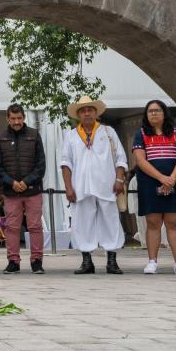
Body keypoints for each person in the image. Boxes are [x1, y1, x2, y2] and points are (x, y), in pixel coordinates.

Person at [61, 95, 127, 275]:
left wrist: (119, 179)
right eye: (83, 110)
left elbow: (121, 158)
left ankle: (112, 261)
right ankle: (86, 261)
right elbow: (66, 163)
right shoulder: (71, 135)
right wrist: (68, 187)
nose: (87, 113)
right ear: (78, 115)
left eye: (90, 110)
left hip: (107, 185)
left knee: (110, 220)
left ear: (96, 112)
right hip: (80, 187)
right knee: (82, 223)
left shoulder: (108, 132)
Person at [132, 99, 176, 275]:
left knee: (174, 222)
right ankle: (152, 261)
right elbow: (140, 160)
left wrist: (171, 179)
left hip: (174, 181)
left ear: (164, 113)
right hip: (150, 183)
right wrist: (161, 178)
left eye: (157, 110)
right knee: (153, 222)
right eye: (150, 111)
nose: (153, 114)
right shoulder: (141, 134)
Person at [0, 103, 47, 274]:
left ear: (24, 117)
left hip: (32, 189)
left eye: (19, 118)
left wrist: (26, 181)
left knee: (35, 226)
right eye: (13, 118)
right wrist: (11, 182)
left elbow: (41, 164)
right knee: (12, 227)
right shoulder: (1, 136)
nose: (16, 121)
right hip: (11, 191)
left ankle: (37, 261)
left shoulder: (34, 134)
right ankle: (13, 261)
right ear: (7, 118)